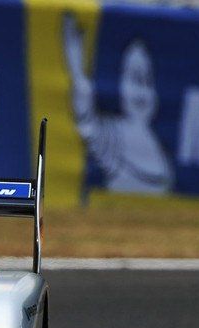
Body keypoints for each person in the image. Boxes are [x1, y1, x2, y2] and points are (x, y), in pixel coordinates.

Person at [62, 14, 173, 194]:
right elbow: (86, 120)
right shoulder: (112, 134)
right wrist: (76, 69)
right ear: (121, 84)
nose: (141, 91)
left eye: (147, 80)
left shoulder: (159, 143)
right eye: (134, 79)